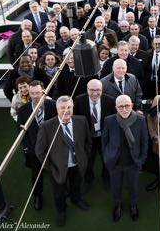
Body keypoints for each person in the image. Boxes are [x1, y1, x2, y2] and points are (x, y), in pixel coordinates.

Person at [36, 96, 92, 226]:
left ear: (73, 108)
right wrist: (50, 167)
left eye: (69, 107)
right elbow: (40, 151)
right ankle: (61, 211)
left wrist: (84, 157)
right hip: (57, 168)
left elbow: (88, 142)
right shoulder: (46, 126)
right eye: (63, 108)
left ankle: (76, 199)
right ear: (57, 109)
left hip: (77, 165)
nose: (66, 110)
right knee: (59, 193)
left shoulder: (81, 121)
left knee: (76, 184)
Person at [102, 95, 148, 222]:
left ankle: (133, 205)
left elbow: (145, 141)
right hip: (115, 163)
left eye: (127, 105)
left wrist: (142, 160)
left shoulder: (140, 120)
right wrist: (107, 157)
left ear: (132, 105)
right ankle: (118, 205)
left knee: (133, 187)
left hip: (133, 162)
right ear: (116, 107)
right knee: (116, 187)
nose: (124, 109)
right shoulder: (109, 120)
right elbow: (104, 142)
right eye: (120, 106)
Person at [17, 81, 57, 211]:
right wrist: (27, 147)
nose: (35, 96)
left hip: (53, 147)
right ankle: (38, 195)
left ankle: (61, 189)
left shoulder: (53, 105)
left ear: (43, 91)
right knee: (36, 173)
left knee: (56, 169)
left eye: (37, 93)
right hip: (34, 149)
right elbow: (20, 131)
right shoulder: (23, 110)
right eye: (32, 93)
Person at [73, 79, 116, 192]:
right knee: (88, 160)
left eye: (98, 90)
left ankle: (106, 178)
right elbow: (75, 119)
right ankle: (88, 179)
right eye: (92, 90)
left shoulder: (110, 100)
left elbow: (113, 120)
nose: (95, 93)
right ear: (87, 89)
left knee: (106, 159)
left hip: (104, 137)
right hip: (87, 138)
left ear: (102, 90)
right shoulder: (78, 100)